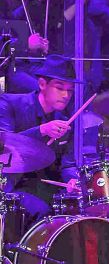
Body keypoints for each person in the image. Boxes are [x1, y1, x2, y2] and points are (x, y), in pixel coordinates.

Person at [0, 55, 96, 218]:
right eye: (60, 88)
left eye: (70, 90)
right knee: (42, 211)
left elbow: (67, 165)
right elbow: (4, 144)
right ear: (42, 84)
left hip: (42, 188)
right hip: (8, 186)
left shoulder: (65, 123)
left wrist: (73, 181)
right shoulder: (9, 104)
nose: (66, 95)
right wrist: (41, 130)